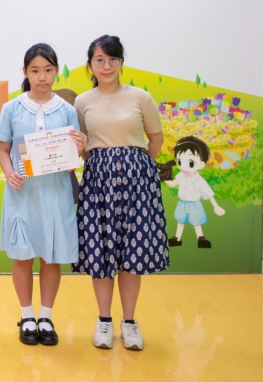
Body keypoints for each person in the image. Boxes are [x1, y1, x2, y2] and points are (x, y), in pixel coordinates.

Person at [72, 35, 170, 351]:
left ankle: (129, 323)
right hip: (98, 182)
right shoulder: (82, 102)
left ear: (121, 62)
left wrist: (138, 165)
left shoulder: (141, 97)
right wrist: (101, 162)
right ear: (90, 65)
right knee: (101, 251)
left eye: (112, 59)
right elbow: (81, 144)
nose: (106, 66)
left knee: (132, 252)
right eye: (99, 60)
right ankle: (104, 320)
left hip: (138, 182)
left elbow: (155, 138)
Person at [0, 43, 86, 346]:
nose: (42, 77)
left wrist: (80, 146)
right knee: (23, 257)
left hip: (56, 193)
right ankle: (27, 316)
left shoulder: (68, 110)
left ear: (56, 71)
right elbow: (3, 150)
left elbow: (74, 155)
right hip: (22, 194)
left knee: (51, 257)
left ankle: (45, 317)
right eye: (35, 70)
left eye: (48, 70)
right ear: (25, 72)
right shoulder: (12, 108)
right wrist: (9, 172)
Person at [165, 135, 226, 248]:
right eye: (179, 161)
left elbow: (208, 194)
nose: (183, 166)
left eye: (190, 163)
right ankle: (177, 238)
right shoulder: (181, 175)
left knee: (196, 222)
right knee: (180, 221)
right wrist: (165, 178)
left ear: (201, 164)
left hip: (194, 205)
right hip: (182, 203)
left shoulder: (200, 181)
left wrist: (216, 207)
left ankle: (200, 238)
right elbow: (173, 184)